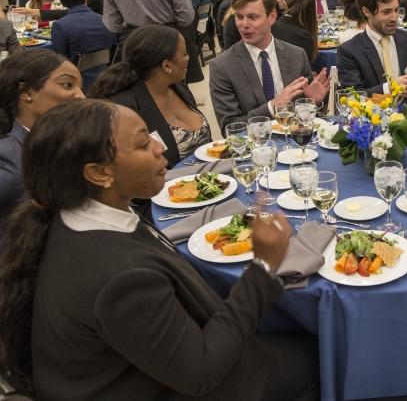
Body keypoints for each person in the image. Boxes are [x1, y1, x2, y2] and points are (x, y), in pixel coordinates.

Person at [0, 98, 320, 399]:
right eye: (143, 144)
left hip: (153, 362)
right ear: (99, 173)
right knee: (324, 351)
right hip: (171, 385)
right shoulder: (117, 277)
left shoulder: (76, 216)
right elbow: (202, 372)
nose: (160, 147)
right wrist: (263, 266)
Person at [209, 0, 330, 131]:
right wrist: (272, 107)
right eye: (239, 17)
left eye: (253, 17)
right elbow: (230, 128)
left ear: (272, 17)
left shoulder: (296, 55)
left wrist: (314, 103)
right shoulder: (223, 66)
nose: (244, 24)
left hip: (296, 147)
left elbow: (312, 120)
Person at [90, 25, 211, 167]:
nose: (189, 57)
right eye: (184, 53)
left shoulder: (178, 87)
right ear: (167, 66)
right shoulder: (127, 108)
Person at [0, 50, 83, 236]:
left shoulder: (55, 141)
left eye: (80, 87)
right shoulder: (9, 161)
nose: (81, 96)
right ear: (27, 92)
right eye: (67, 85)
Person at [337, 0, 407, 97]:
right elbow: (352, 95)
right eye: (386, 12)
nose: (394, 18)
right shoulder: (350, 50)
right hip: (371, 114)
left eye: (396, 10)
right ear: (367, 11)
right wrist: (390, 88)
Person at [50, 0, 115, 91]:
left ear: (63, 3)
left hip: (77, 82)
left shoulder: (61, 25)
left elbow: (59, 59)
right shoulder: (105, 20)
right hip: (107, 77)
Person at [272, 0, 319, 69]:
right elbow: (305, 71)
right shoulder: (304, 37)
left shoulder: (270, 26)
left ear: (288, 3)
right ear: (311, 13)